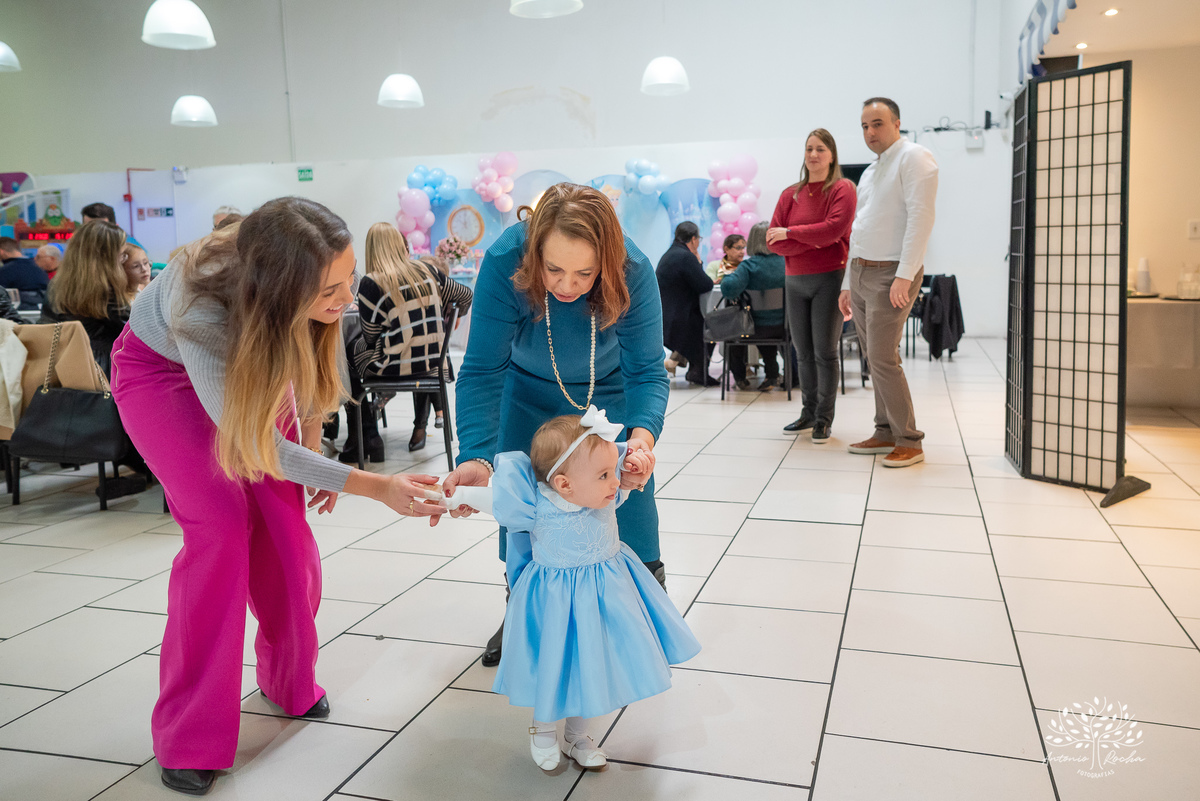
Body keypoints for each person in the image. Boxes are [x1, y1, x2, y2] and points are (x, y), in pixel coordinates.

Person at [111, 197, 448, 797]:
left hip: (253, 356)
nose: (346, 300)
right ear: (281, 287)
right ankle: (188, 734)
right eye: (331, 290)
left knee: (285, 531)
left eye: (349, 280)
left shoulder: (288, 269)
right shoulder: (201, 302)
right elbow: (254, 444)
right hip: (161, 375)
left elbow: (302, 352)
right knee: (219, 530)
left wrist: (315, 432)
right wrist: (370, 485)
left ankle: (288, 681)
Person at [441, 182, 668, 669]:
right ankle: (522, 612)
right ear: (534, 252)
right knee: (523, 505)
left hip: (608, 395)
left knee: (626, 503)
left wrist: (641, 443)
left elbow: (648, 371)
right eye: (555, 270)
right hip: (525, 393)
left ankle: (642, 610)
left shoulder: (635, 270)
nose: (567, 286)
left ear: (606, 261)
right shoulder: (505, 261)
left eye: (585, 273)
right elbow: (481, 370)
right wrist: (478, 458)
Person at [491, 408, 699, 770]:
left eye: (612, 472)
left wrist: (631, 465)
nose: (614, 482)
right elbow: (487, 501)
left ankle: (577, 735)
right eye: (604, 475)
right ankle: (542, 728)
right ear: (564, 484)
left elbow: (625, 479)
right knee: (554, 660)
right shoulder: (536, 506)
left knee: (589, 663)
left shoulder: (606, 494)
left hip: (602, 598)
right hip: (554, 601)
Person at [838, 97, 938, 468]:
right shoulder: (870, 171)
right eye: (864, 126)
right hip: (863, 272)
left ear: (896, 123)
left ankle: (909, 440)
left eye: (877, 124)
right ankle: (884, 430)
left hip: (891, 273)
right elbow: (859, 229)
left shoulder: (914, 157)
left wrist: (904, 275)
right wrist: (849, 281)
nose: (870, 132)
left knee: (882, 357)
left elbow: (921, 219)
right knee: (873, 357)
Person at [341, 222, 472, 461]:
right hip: (433, 364)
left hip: (394, 367)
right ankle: (366, 435)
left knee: (348, 355)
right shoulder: (428, 271)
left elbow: (370, 337)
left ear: (372, 249)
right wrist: (449, 316)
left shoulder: (371, 283)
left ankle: (363, 437)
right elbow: (466, 295)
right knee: (357, 352)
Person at [768, 128, 858, 441]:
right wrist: (812, 240)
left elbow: (834, 230)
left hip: (829, 279)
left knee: (824, 352)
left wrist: (792, 234)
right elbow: (772, 241)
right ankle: (807, 413)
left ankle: (824, 418)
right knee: (802, 352)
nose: (813, 155)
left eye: (820, 148)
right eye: (809, 149)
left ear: (832, 155)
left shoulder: (843, 189)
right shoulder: (789, 194)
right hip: (794, 280)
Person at [40, 221, 133, 375]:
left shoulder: (57, 284)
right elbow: (133, 330)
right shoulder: (105, 289)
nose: (122, 261)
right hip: (104, 371)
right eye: (122, 255)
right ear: (107, 257)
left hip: (64, 367)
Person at [721, 222, 788, 391]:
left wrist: (728, 275)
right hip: (784, 328)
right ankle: (773, 374)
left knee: (733, 333)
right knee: (768, 328)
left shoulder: (748, 267)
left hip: (752, 329)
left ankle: (740, 378)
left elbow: (728, 290)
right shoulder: (786, 263)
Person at [657, 221, 717, 386]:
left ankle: (693, 368)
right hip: (679, 320)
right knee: (712, 324)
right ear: (693, 239)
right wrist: (698, 262)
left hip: (667, 316)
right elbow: (705, 284)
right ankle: (698, 371)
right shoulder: (685, 256)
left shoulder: (671, 253)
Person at [0, 236, 50, 309]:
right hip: (43, 310)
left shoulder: (5, 271)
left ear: (1, 251)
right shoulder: (39, 268)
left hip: (18, 313)